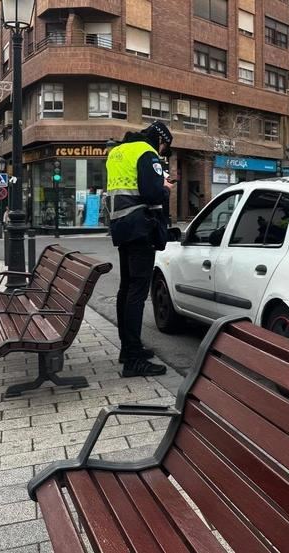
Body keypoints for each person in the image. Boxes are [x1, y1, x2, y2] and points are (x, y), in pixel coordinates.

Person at [107, 121, 174, 377]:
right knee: (137, 291)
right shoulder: (147, 153)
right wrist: (165, 188)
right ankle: (134, 359)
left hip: (121, 226)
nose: (164, 152)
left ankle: (128, 347)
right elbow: (151, 194)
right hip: (140, 226)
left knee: (126, 288)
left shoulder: (118, 151)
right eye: (165, 146)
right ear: (160, 139)